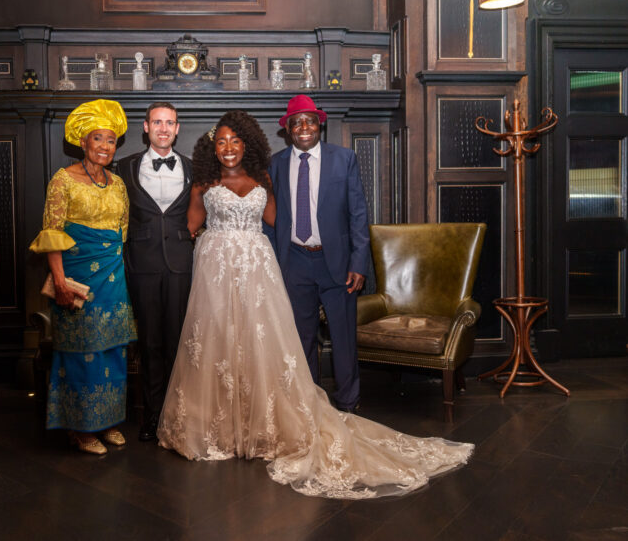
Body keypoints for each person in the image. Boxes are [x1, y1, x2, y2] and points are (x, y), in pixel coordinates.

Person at [157, 110, 473, 499]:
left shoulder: (268, 175)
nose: (228, 148)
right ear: (212, 145)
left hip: (281, 266)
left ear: (248, 144)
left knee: (274, 343)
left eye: (235, 141)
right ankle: (225, 425)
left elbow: (288, 217)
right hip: (225, 271)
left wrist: (340, 255)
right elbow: (191, 227)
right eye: (221, 141)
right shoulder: (212, 180)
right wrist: (205, 251)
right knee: (220, 345)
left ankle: (314, 412)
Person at [29, 99, 136, 455]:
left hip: (113, 277)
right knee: (81, 350)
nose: (105, 147)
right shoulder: (62, 180)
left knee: (113, 349)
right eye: (97, 139)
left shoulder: (119, 184)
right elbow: (51, 234)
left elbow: (121, 233)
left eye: (111, 140)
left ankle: (107, 423)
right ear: (82, 142)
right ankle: (80, 427)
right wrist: (59, 281)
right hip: (76, 280)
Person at [268, 94, 369, 412]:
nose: (304, 128)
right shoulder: (276, 164)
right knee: (302, 339)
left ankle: (348, 403)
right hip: (295, 262)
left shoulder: (344, 159)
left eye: (310, 121)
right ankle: (310, 404)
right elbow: (273, 218)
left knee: (343, 338)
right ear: (288, 130)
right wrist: (274, 266)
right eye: (296, 122)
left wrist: (359, 262)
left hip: (337, 263)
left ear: (319, 125)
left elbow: (359, 215)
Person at [115, 102, 194, 442]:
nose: (163, 128)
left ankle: (177, 416)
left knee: (179, 341)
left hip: (181, 263)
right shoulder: (124, 167)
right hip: (141, 264)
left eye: (170, 123)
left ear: (177, 129)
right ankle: (151, 416)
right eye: (157, 122)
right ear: (145, 127)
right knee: (149, 343)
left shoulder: (193, 168)